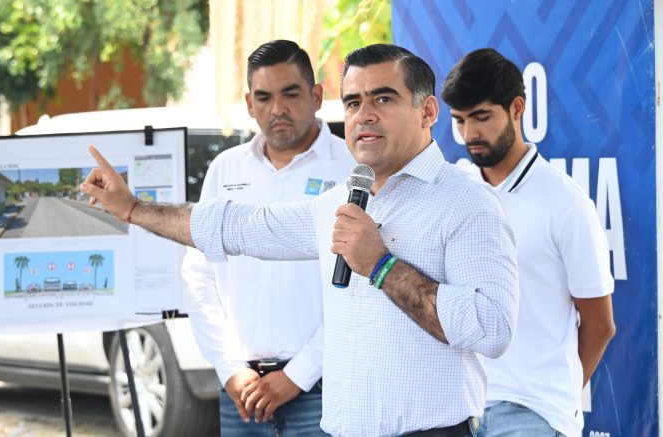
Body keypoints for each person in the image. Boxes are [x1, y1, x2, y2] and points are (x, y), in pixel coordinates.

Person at [80, 44, 520, 437]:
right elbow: (238, 227)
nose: (364, 115)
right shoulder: (341, 201)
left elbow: (492, 328)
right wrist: (133, 209)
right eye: (353, 102)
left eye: (383, 99)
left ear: (427, 112)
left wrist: (381, 265)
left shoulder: (467, 202)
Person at [181, 39, 355, 436]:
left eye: (290, 94)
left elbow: (361, 286)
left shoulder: (352, 168)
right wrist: (229, 368)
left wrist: (299, 374)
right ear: (249, 103)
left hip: (325, 389)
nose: (277, 109)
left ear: (316, 96)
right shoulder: (225, 169)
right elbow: (198, 275)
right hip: (242, 394)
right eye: (264, 97)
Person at [440, 48, 616, 437]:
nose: (469, 134)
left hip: (533, 415)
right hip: (458, 408)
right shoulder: (454, 190)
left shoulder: (565, 202)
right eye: (460, 120)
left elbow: (600, 324)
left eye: (482, 117)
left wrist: (556, 404)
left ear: (517, 108)